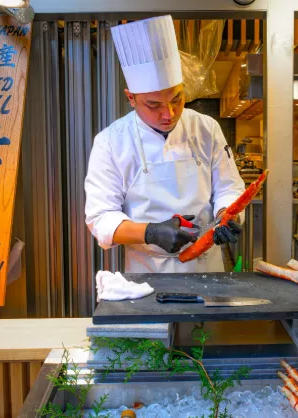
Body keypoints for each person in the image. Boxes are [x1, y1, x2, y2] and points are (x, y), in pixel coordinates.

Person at [84, 15, 246, 274]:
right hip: (147, 271)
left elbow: (228, 188)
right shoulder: (110, 142)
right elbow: (100, 217)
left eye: (177, 99)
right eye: (154, 105)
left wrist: (227, 215)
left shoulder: (206, 128)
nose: (168, 114)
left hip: (206, 265)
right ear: (131, 98)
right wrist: (151, 232)